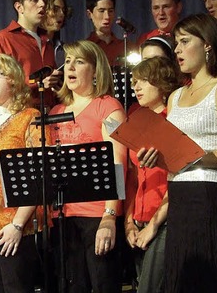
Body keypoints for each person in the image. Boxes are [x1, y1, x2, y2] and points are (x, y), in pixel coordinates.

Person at [147, 13, 217, 292]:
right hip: (180, 196)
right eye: (176, 43)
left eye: (184, 42)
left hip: (212, 196)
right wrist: (153, 156)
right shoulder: (176, 96)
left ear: (207, 44)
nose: (178, 50)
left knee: (213, 278)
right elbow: (171, 151)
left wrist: (191, 157)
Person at [49, 40, 127, 293]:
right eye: (68, 61)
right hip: (63, 216)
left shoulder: (108, 107)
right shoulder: (55, 111)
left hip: (97, 214)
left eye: (79, 61)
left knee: (103, 284)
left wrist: (109, 216)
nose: (70, 66)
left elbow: (118, 163)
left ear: (95, 71)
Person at [0, 54, 48, 293]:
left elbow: (39, 174)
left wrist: (17, 223)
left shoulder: (29, 117)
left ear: (13, 81)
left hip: (14, 223)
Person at [124, 57, 180, 293]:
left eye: (144, 81)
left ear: (162, 83)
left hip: (164, 220)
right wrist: (129, 223)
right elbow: (133, 179)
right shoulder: (137, 123)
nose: (136, 87)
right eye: (134, 81)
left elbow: (177, 178)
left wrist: (154, 225)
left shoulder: (174, 120)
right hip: (139, 220)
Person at [0, 0, 60, 109]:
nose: (42, 4)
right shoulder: (3, 39)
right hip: (19, 115)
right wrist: (37, 83)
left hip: (48, 116)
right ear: (19, 7)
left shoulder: (46, 41)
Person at [85, 0, 125, 66]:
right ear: (90, 14)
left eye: (110, 11)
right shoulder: (84, 48)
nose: (107, 17)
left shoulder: (126, 47)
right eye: (101, 11)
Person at [42, 0, 72, 67]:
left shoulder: (64, 48)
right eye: (55, 9)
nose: (62, 14)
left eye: (63, 10)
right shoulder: (34, 45)